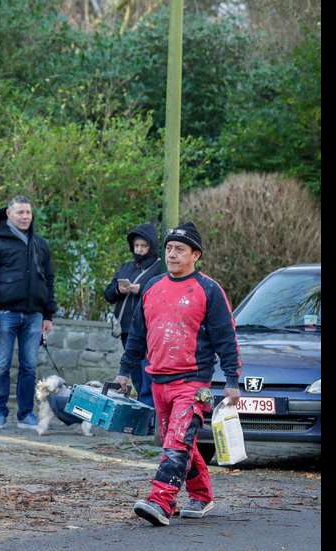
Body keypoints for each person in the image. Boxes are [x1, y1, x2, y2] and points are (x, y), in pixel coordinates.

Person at [112, 222, 241, 526]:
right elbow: (137, 337)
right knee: (184, 443)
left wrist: (232, 380)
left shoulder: (209, 289)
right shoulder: (153, 287)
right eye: (169, 248)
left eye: (179, 249)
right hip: (158, 381)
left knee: (177, 443)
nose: (172, 254)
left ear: (195, 254)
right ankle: (202, 496)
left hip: (193, 383)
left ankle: (161, 502)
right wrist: (123, 372)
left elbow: (226, 337)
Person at [0, 196, 57, 430]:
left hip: (34, 316)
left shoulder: (40, 244)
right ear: (8, 214)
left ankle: (26, 415)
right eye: (20, 212)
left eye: (28, 212)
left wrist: (48, 315)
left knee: (29, 366)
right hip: (3, 315)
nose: (25, 217)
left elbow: (48, 280)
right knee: (1, 365)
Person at [103, 223, 160, 410]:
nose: (140, 250)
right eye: (136, 246)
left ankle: (149, 415)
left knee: (147, 374)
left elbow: (163, 293)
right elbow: (108, 295)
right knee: (135, 375)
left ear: (151, 246)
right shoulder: (126, 267)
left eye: (144, 246)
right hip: (127, 328)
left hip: (149, 329)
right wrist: (119, 289)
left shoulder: (160, 266)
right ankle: (143, 412)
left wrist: (141, 289)